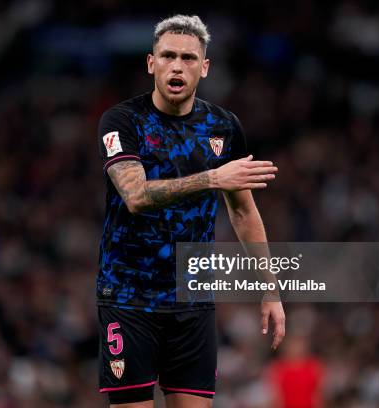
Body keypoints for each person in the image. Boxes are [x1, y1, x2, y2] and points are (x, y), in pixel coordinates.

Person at [96, 15, 285, 408]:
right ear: (151, 63)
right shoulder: (121, 121)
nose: (177, 66)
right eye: (167, 56)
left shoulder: (223, 127)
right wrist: (213, 177)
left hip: (192, 301)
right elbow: (136, 195)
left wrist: (270, 288)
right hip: (130, 298)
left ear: (205, 67)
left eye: (187, 57)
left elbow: (244, 212)